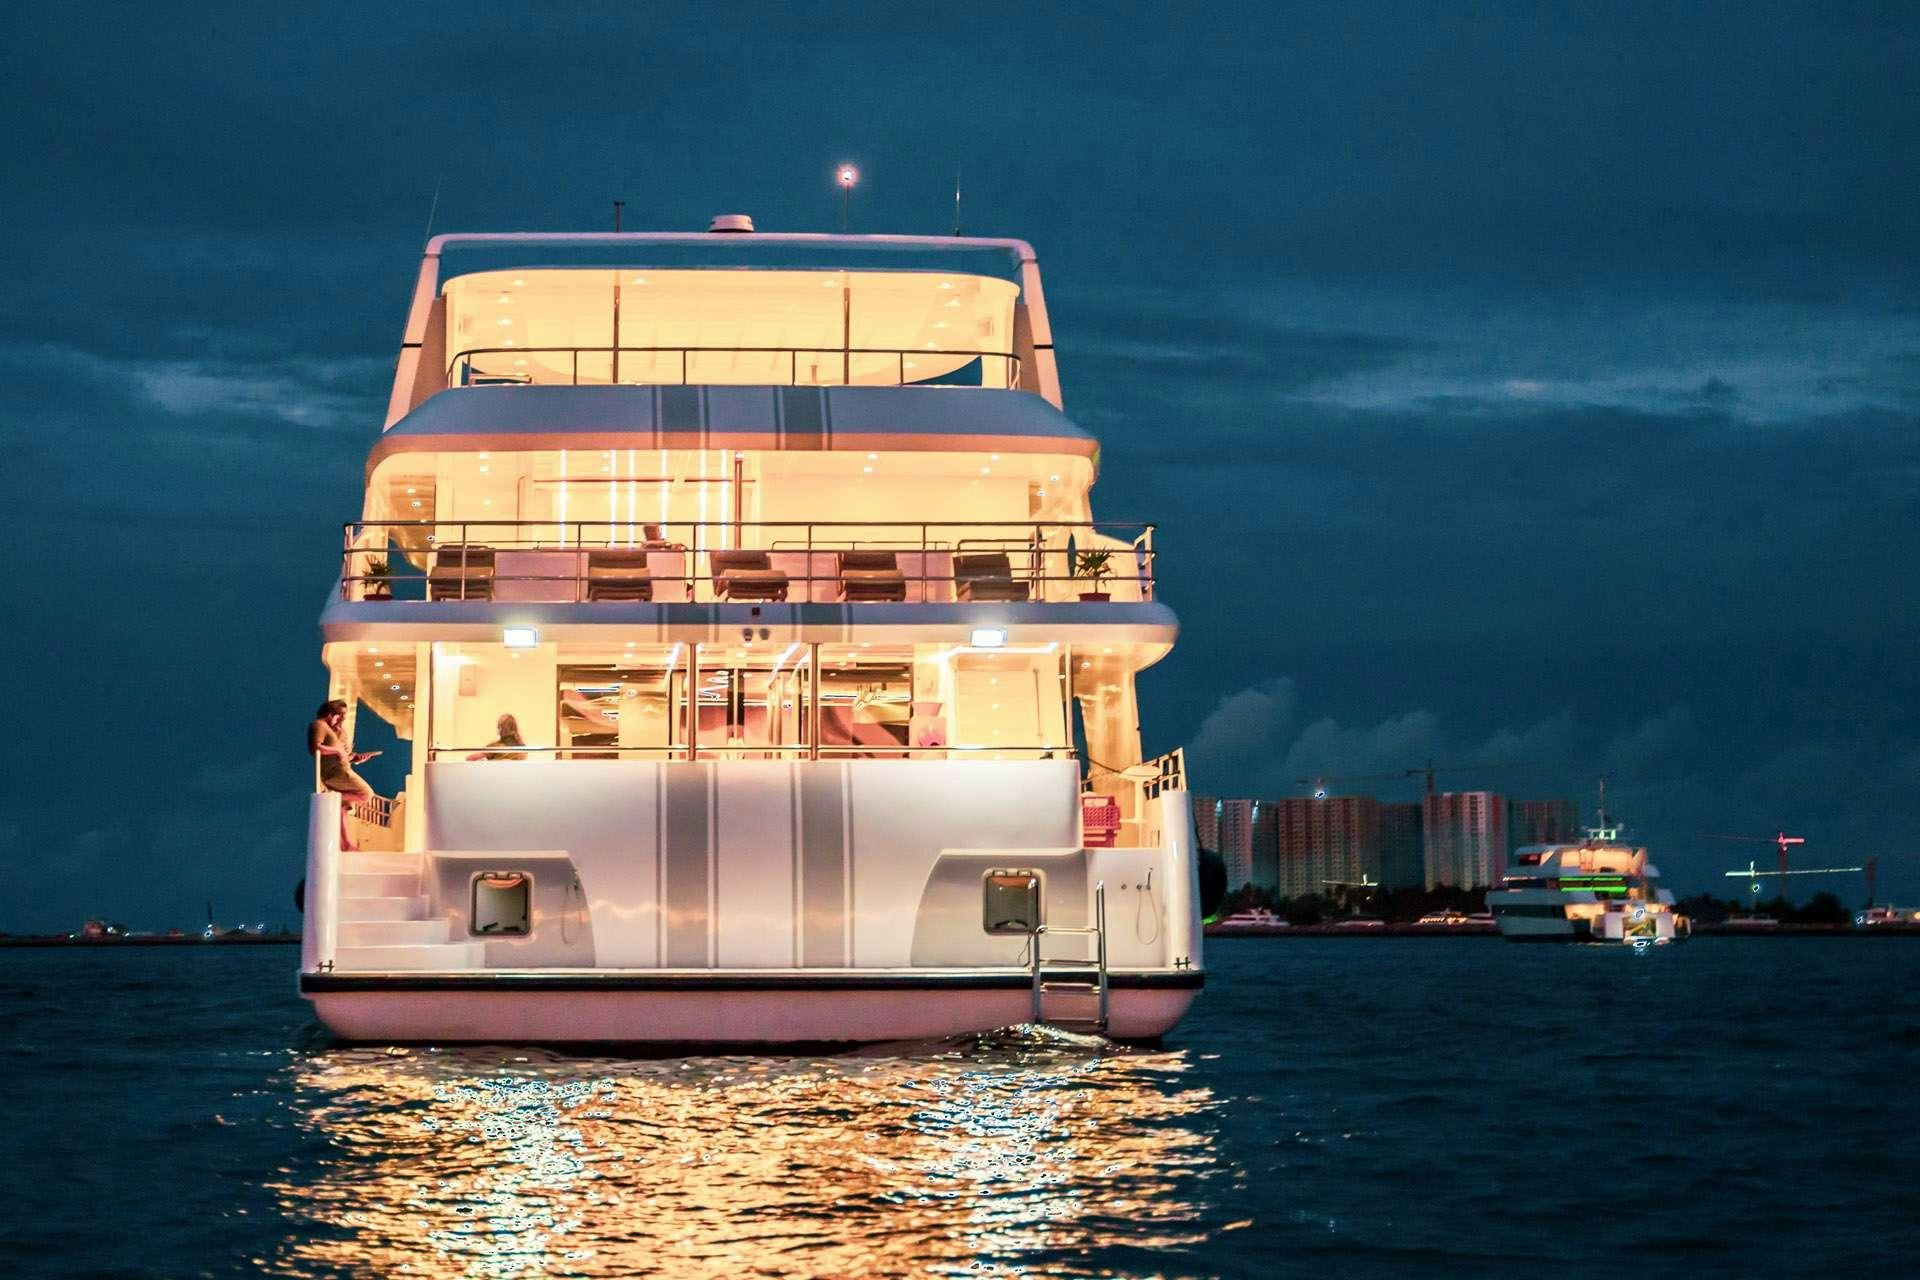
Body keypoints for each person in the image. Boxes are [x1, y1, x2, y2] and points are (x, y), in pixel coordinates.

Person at [308, 699, 379, 851]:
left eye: (344, 715)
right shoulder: (319, 725)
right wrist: (338, 750)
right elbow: (315, 748)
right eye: (339, 714)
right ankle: (334, 797)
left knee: (343, 809)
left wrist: (357, 758)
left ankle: (346, 844)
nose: (342, 718)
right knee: (366, 794)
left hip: (342, 769)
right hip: (335, 773)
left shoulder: (339, 732)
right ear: (330, 714)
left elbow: (345, 755)